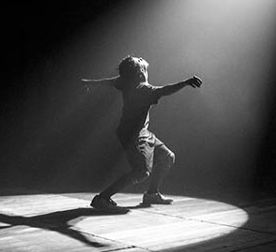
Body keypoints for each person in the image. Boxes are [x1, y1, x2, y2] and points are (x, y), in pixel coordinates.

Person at [81, 56, 202, 213]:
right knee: (141, 171)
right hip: (133, 134)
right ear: (140, 74)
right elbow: (165, 90)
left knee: (167, 157)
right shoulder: (143, 90)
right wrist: (185, 83)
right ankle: (102, 198)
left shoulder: (125, 82)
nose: (141, 59)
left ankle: (152, 194)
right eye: (142, 65)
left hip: (141, 132)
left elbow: (111, 81)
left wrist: (90, 83)